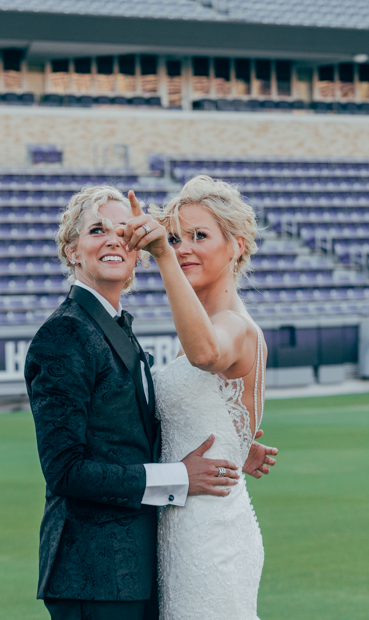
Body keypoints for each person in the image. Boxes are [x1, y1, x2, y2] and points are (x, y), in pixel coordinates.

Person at [24, 185, 278, 620]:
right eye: (97, 230)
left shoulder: (125, 328)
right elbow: (65, 469)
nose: (181, 250)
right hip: (100, 569)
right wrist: (180, 473)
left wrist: (233, 444)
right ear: (72, 251)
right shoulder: (67, 333)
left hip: (173, 545)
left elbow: (136, 418)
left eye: (123, 231)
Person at [117, 176, 267, 620]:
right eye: (178, 237)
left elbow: (207, 354)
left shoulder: (235, 325)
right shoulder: (200, 327)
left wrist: (161, 255)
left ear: (236, 246)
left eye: (200, 236)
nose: (184, 248)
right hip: (178, 521)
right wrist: (238, 445)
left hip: (211, 530)